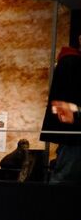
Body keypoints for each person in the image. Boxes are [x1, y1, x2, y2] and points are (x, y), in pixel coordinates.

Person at [42, 34, 81, 183]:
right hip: (73, 134)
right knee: (66, 175)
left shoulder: (70, 62)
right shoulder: (71, 62)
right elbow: (61, 103)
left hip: (72, 132)